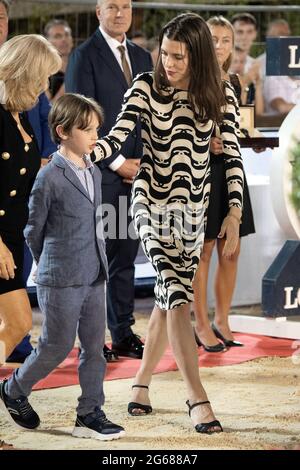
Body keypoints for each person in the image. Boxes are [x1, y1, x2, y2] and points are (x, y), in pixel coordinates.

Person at [93, 13, 244, 433]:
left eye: (178, 56)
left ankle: (140, 384)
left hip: (193, 212)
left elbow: (232, 157)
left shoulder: (220, 96)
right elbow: (118, 133)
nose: (168, 63)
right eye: (164, 53)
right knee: (177, 293)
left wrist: (233, 213)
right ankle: (197, 397)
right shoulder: (144, 86)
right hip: (150, 204)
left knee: (165, 298)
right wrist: (90, 149)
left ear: (196, 57)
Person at [0, 93, 125, 441]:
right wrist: (52, 260)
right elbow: (32, 229)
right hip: (60, 276)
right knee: (55, 346)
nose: (95, 136)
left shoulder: (95, 171)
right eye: (88, 130)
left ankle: (89, 412)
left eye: (97, 129)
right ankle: (14, 388)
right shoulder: (48, 177)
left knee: (94, 347)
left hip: (94, 273)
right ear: (63, 131)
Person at [65, 0, 153, 362]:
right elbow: (79, 116)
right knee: (93, 260)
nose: (120, 13)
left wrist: (144, 163)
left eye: (126, 6)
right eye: (112, 6)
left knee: (124, 258)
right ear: (98, 11)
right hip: (99, 173)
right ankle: (90, 337)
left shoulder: (144, 57)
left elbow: (151, 114)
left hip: (138, 174)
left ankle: (122, 333)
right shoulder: (83, 56)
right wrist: (118, 162)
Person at [192, 16, 255, 352]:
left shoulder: (233, 80)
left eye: (226, 40)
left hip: (231, 170)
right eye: (213, 39)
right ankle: (200, 324)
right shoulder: (189, 78)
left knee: (232, 249)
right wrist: (206, 144)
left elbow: (234, 129)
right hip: (201, 173)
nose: (219, 46)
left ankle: (223, 320)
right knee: (202, 251)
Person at [0, 34, 61, 368]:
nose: (44, 86)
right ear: (23, 74)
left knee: (18, 323)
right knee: (18, 323)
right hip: (0, 242)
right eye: (41, 77)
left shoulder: (18, 114)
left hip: (12, 235)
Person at [44, 19, 74, 103]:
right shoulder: (43, 73)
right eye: (58, 36)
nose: (64, 39)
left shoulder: (83, 66)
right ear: (48, 42)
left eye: (67, 35)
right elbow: (49, 109)